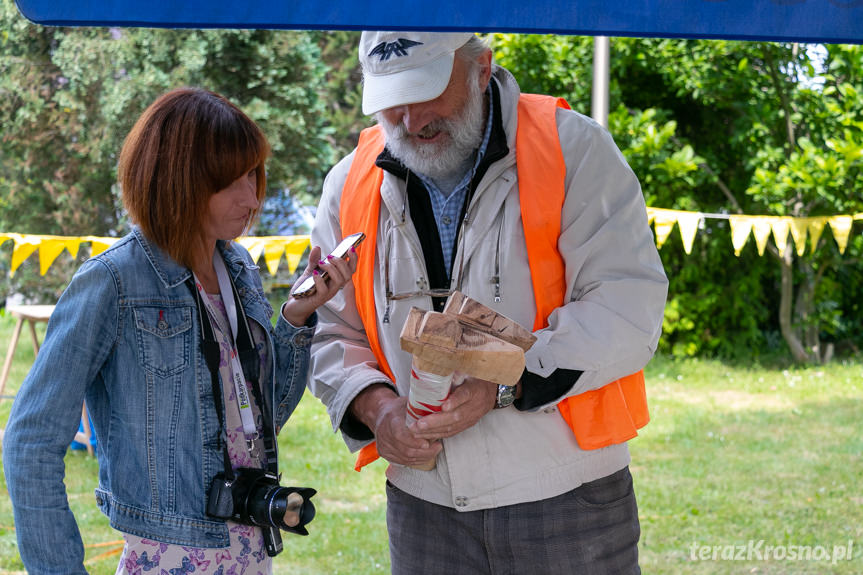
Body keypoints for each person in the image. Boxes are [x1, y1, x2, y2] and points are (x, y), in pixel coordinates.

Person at [308, 31, 668, 574]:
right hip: (422, 508)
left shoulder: (574, 150)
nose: (408, 120)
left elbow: (627, 308)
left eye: (424, 91)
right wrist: (378, 410)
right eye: (390, 100)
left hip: (566, 496)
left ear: (481, 69)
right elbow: (329, 332)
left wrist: (504, 382)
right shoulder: (347, 183)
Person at [3, 87, 356, 575]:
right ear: (179, 180)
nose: (252, 197)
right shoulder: (113, 282)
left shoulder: (238, 268)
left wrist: (296, 318)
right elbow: (30, 442)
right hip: (168, 558)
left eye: (253, 174)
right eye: (231, 181)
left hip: (251, 555)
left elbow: (261, 419)